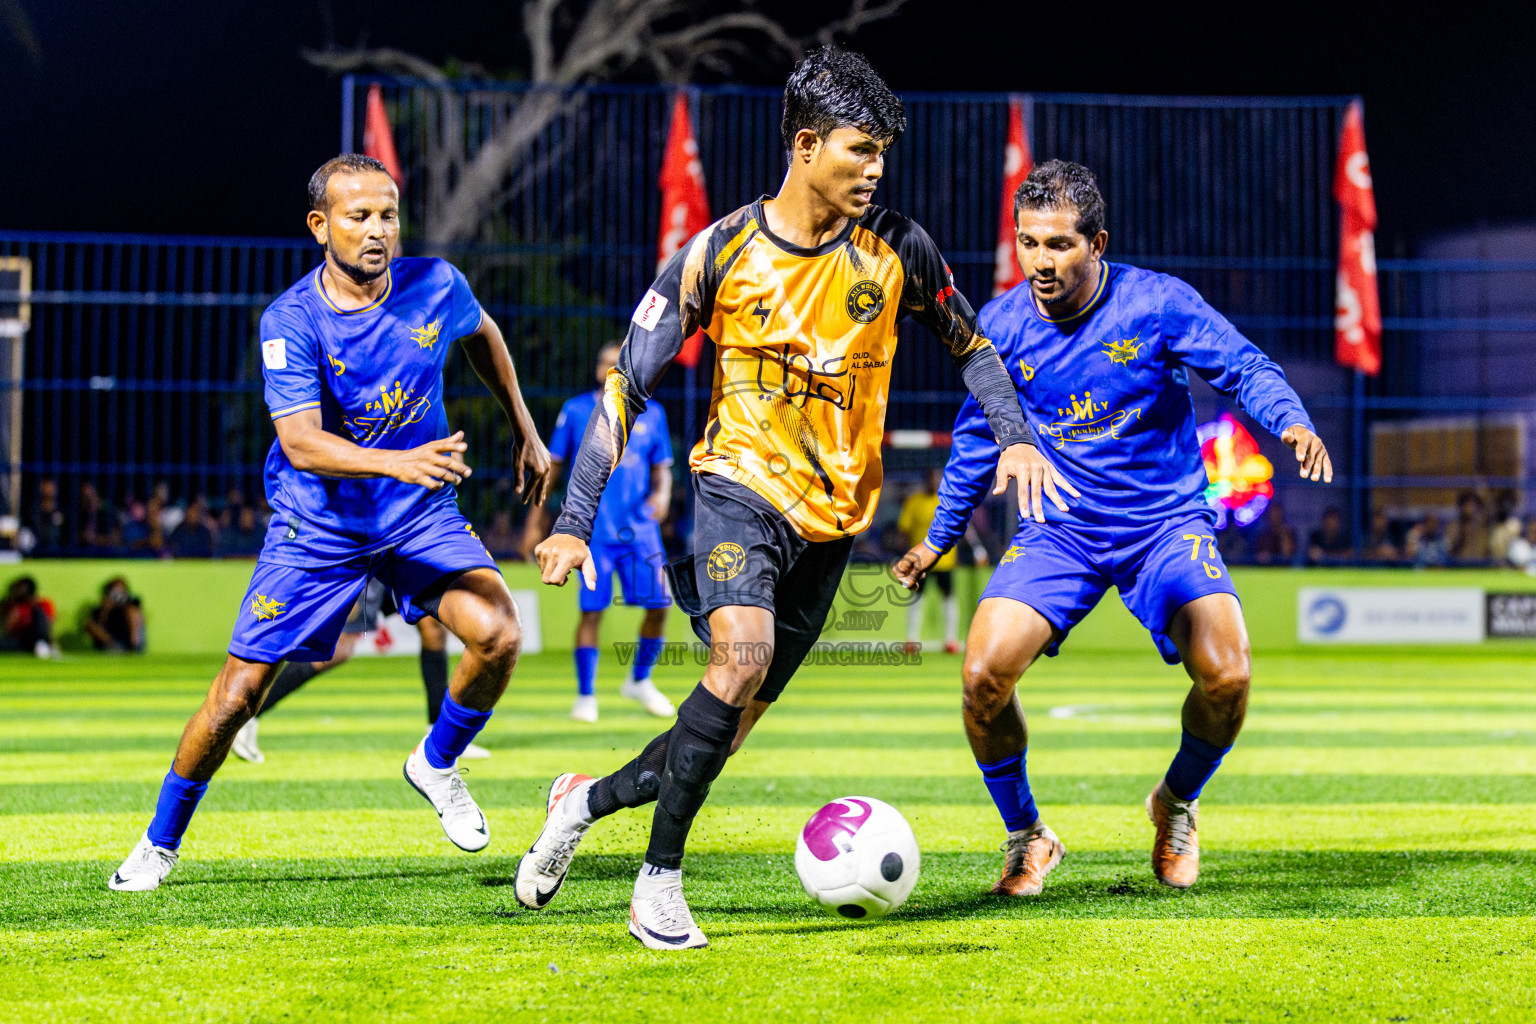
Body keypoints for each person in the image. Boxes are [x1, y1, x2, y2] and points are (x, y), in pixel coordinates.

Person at [516, 47, 1056, 950]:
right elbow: (625, 391)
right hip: (737, 487)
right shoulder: (718, 252)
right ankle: (658, 887)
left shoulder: (900, 248)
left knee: (720, 730)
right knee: (740, 660)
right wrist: (574, 520)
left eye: (883, 151)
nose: (875, 167)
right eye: (859, 149)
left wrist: (1016, 432)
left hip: (835, 520)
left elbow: (973, 348)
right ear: (806, 146)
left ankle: (581, 802)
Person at [107, 153, 553, 892]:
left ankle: (435, 763)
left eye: (388, 215)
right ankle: (158, 843)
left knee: (499, 632)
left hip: (418, 515)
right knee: (237, 696)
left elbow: (483, 335)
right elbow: (300, 442)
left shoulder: (436, 284)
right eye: (358, 217)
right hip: (320, 527)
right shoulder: (290, 319)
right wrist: (398, 462)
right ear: (320, 226)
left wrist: (524, 427)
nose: (377, 231)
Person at [894, 161, 1332, 897]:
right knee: (981, 679)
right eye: (1028, 243)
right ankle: (1028, 836)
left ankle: (1176, 802)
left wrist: (1288, 420)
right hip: (1058, 530)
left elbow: (1242, 365)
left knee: (1228, 677)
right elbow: (977, 439)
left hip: (1164, 525)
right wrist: (936, 539)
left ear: (1097, 242)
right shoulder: (997, 325)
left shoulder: (1157, 304)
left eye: (1059, 244)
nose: (1041, 261)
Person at [523, 343, 676, 722]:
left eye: (617, 365)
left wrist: (662, 495)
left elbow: (663, 469)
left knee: (661, 604)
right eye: (606, 364)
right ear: (598, 371)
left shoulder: (653, 414)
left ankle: (640, 680)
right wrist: (535, 523)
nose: (612, 371)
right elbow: (553, 468)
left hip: (639, 530)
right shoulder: (577, 411)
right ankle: (585, 695)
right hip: (594, 533)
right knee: (592, 612)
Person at [229, 579, 487, 763]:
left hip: (396, 549)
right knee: (337, 650)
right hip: (369, 551)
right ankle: (248, 717)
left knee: (431, 626)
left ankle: (440, 737)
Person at [897, 467, 962, 654]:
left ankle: (951, 640)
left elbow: (963, 526)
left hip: (945, 560)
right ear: (926, 480)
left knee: (948, 598)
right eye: (931, 478)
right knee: (916, 597)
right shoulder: (914, 502)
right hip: (920, 560)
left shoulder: (948, 501)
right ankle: (911, 639)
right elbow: (904, 529)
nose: (934, 481)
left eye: (938, 478)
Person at [86, 576, 145, 652]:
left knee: (132, 612)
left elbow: (141, 620)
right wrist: (106, 609)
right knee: (89, 624)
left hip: (127, 639)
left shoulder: (131, 603)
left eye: (120, 591)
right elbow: (99, 624)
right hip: (111, 640)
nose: (117, 595)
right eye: (114, 592)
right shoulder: (104, 605)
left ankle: (134, 649)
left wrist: (126, 607)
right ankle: (115, 648)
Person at [0, 576, 54, 657]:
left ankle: (43, 644)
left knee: (39, 612)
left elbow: (48, 625)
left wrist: (34, 605)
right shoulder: (10, 605)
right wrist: (14, 610)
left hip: (36, 638)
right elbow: (7, 629)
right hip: (19, 640)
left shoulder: (41, 605)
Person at [1251, 500, 1298, 565]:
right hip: (1266, 568)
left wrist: (1283, 534)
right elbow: (1259, 555)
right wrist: (1264, 556)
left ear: (1282, 516)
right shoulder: (1263, 534)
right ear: (1269, 516)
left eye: (1278, 514)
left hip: (1285, 567)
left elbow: (1288, 554)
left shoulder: (1288, 532)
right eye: (1273, 514)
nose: (1275, 517)